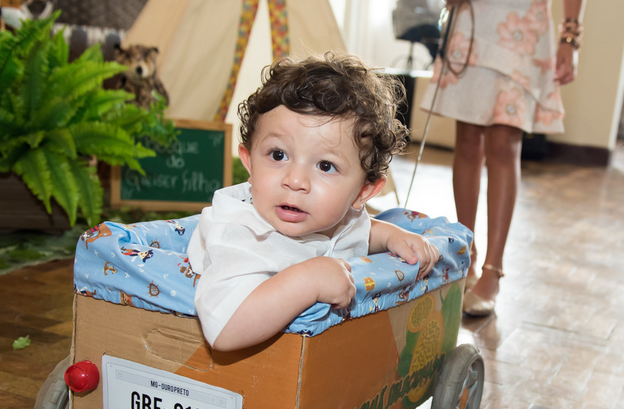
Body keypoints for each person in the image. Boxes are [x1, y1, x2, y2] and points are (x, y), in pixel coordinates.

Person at [187, 55, 441, 352]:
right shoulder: (242, 233)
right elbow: (224, 331)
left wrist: (392, 236)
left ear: (363, 192)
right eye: (278, 155)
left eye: (325, 165)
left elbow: (358, 229)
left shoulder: (337, 219)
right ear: (249, 162)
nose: (295, 180)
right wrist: (308, 281)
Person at [423, 0, 590, 317]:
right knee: (469, 140)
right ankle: (466, 253)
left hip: (528, 23)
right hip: (474, 12)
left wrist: (571, 35)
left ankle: (493, 270)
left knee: (504, 144)